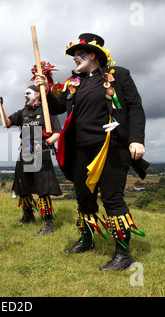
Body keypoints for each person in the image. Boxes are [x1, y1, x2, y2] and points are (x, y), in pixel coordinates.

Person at [34, 33, 147, 271]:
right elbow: (57, 107)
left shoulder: (119, 75)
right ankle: (87, 240)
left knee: (112, 198)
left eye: (79, 54)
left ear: (93, 55)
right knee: (84, 197)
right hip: (80, 149)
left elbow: (135, 106)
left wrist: (136, 139)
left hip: (110, 147)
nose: (74, 58)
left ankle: (123, 254)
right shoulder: (74, 83)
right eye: (73, 55)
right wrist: (44, 90)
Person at [0, 63, 62, 236]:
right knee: (22, 186)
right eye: (24, 93)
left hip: (41, 152)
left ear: (38, 94)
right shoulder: (23, 112)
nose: (25, 95)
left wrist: (47, 144)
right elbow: (7, 123)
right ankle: (28, 216)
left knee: (42, 189)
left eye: (28, 93)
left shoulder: (47, 110)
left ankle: (48, 224)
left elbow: (58, 133)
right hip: (25, 150)